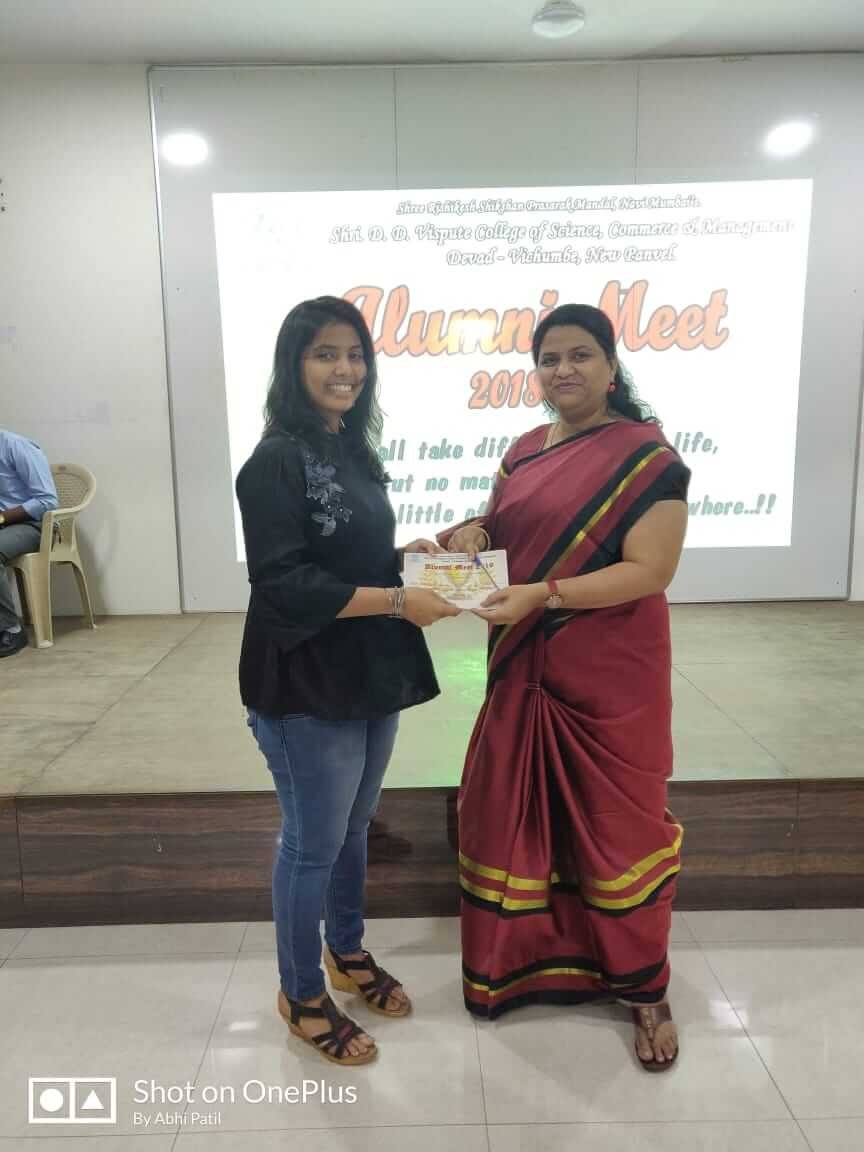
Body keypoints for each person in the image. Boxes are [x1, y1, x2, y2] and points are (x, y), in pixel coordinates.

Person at [440, 304, 690, 1072]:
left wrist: (543, 595)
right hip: (523, 668)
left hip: (607, 676)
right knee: (508, 811)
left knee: (618, 828)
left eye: (580, 355)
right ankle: (519, 967)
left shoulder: (648, 458)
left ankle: (645, 991)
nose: (563, 370)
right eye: (549, 359)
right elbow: (506, 531)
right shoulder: (522, 450)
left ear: (611, 367)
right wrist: (474, 534)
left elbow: (650, 570)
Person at [236, 296, 459, 1066]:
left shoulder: (351, 447)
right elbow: (285, 584)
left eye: (356, 354)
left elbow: (349, 558)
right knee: (312, 844)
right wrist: (399, 601)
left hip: (367, 670)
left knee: (355, 828)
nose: (346, 369)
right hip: (305, 681)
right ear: (294, 365)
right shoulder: (275, 460)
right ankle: (301, 993)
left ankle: (347, 951)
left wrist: (408, 558)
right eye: (326, 353)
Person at [0, 428, 59, 658]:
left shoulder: (16, 446)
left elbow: (47, 501)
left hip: (34, 525)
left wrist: (2, 518)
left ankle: (11, 630)